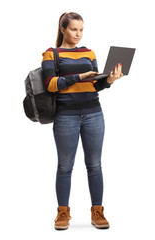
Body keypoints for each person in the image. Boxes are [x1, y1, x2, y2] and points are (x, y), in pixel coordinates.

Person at [41, 12, 123, 230]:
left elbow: (95, 85)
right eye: (73, 29)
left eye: (81, 30)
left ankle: (97, 211)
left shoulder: (89, 52)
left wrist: (109, 80)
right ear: (63, 30)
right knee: (65, 166)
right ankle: (62, 213)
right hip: (66, 116)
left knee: (95, 165)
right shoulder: (52, 54)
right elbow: (51, 84)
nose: (78, 34)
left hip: (94, 114)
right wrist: (79, 76)